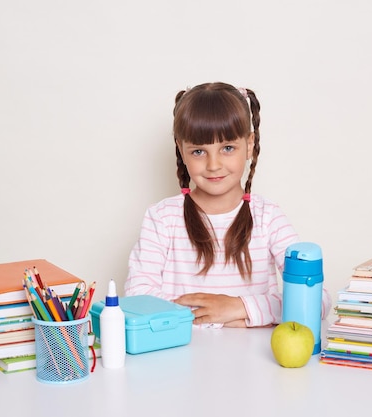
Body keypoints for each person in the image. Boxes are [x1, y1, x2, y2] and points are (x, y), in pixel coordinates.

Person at [125, 82, 331, 328]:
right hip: (178, 360)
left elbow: (316, 300)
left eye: (228, 148)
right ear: (181, 150)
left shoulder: (268, 218)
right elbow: (138, 297)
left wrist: (237, 307)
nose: (213, 165)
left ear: (250, 145)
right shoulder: (161, 218)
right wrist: (219, 317)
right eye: (199, 152)